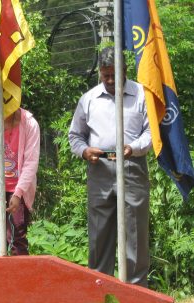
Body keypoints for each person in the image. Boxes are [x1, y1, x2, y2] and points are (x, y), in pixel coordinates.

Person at [68, 47, 152, 287]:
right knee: (99, 233)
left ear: (124, 70)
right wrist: (85, 151)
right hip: (100, 171)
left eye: (114, 74)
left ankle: (136, 291)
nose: (110, 80)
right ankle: (100, 289)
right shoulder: (89, 99)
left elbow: (151, 133)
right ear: (99, 73)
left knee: (135, 233)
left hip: (132, 168)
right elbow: (75, 136)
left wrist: (133, 148)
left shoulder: (141, 95)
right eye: (105, 75)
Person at [0, 87, 40, 255]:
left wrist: (18, 194)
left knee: (18, 238)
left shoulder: (30, 124)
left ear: (13, 104)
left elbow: (31, 163)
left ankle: (21, 273)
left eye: (1, 109)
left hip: (20, 188)